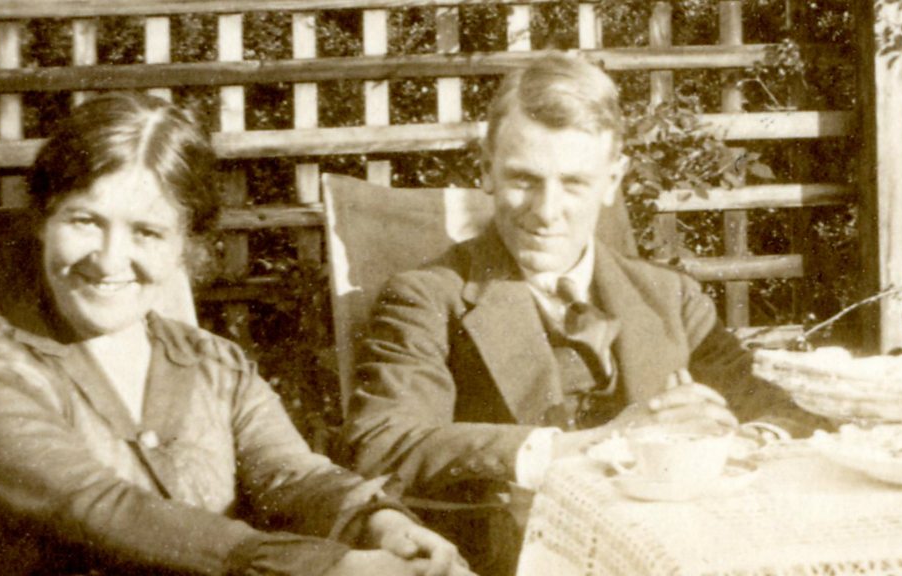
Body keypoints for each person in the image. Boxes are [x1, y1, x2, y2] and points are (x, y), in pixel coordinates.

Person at [0, 92, 474, 576]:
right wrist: (324, 567)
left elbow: (291, 477)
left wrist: (379, 523)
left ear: (184, 247)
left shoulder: (215, 365)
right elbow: (100, 508)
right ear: (42, 222)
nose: (109, 259)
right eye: (85, 221)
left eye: (146, 231)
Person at [340, 52, 822, 575]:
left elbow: (787, 415)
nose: (546, 211)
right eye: (524, 179)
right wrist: (592, 445)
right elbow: (384, 444)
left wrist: (728, 436)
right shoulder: (429, 297)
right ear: (486, 170)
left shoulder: (670, 297)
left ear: (612, 180)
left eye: (573, 183)